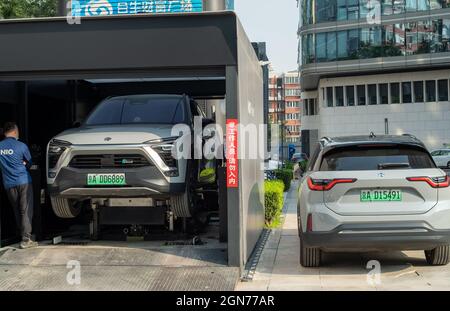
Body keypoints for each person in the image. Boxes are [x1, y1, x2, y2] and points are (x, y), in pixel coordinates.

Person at [0, 122, 37, 249]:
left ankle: (20, 234)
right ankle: (26, 239)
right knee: (25, 210)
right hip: (23, 181)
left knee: (17, 210)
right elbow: (29, 164)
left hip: (8, 184)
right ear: (15, 132)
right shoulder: (21, 146)